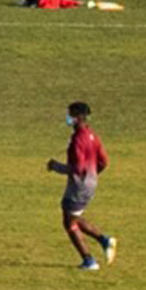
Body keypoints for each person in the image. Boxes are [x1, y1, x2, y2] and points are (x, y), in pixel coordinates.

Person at [50, 101, 116, 270]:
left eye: (70, 115)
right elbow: (104, 161)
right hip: (90, 184)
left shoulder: (78, 139)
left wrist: (55, 166)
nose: (67, 118)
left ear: (78, 117)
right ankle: (104, 241)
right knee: (74, 218)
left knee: (69, 224)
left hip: (78, 187)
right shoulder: (92, 135)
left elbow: (77, 167)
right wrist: (92, 175)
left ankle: (89, 260)